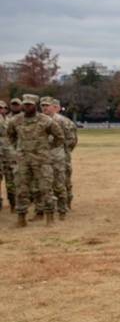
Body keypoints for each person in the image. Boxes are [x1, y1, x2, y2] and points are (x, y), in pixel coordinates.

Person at [7, 94, 63, 227]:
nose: (27, 107)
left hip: (42, 160)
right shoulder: (15, 120)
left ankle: (49, 217)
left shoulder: (46, 121)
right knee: (21, 189)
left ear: (35, 105)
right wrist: (20, 148)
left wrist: (47, 148)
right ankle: (21, 218)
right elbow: (11, 136)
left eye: (30, 104)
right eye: (25, 104)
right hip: (23, 160)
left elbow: (59, 136)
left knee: (46, 188)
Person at [39, 97, 76, 219]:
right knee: (44, 183)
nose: (45, 108)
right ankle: (46, 208)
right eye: (42, 105)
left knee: (61, 181)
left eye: (47, 105)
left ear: (53, 107)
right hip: (43, 157)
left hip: (59, 155)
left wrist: (63, 151)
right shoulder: (39, 120)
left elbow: (71, 139)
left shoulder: (63, 121)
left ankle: (63, 206)